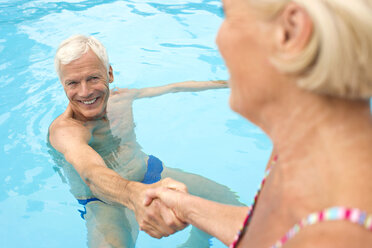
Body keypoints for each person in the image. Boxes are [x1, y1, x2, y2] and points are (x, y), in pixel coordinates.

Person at [144, 0, 372, 247]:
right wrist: (189, 208)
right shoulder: (301, 149)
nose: (218, 40)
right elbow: (275, 229)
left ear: (291, 31)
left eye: (227, 15)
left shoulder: (340, 236)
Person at [48, 34, 244, 248]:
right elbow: (91, 173)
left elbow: (176, 87)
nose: (85, 92)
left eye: (93, 78)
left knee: (225, 199)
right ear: (62, 84)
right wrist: (135, 195)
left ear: (110, 73)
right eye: (73, 83)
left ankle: (197, 242)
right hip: (103, 201)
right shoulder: (65, 131)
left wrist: (229, 84)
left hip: (150, 172)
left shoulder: (121, 99)